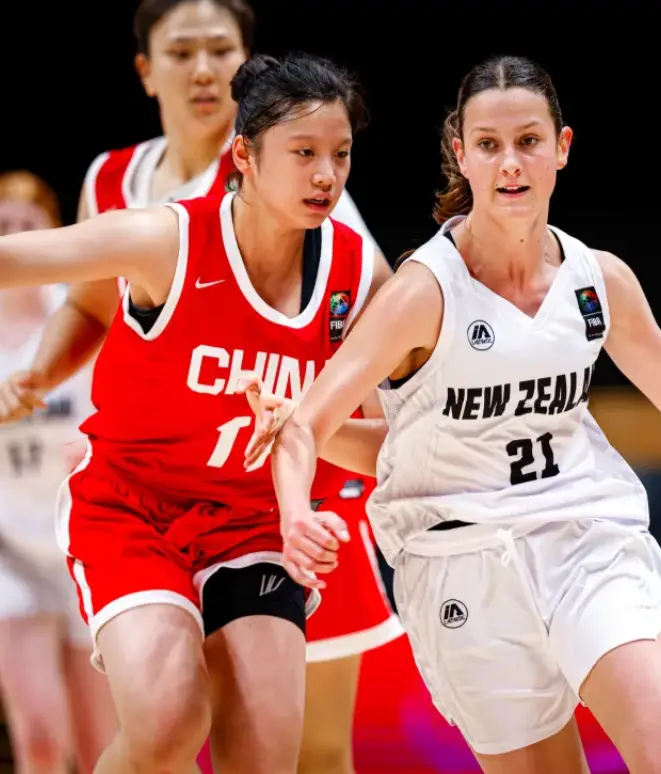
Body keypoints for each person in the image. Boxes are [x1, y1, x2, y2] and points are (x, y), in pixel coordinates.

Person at [242, 54, 661, 774]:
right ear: (461, 153)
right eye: (488, 144)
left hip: (587, 541)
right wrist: (296, 514)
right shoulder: (423, 293)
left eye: (529, 141)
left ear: (562, 147)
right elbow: (308, 428)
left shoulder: (598, 279)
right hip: (460, 566)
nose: (510, 162)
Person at [0, 1, 402, 770]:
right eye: (305, 154)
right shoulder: (161, 231)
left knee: (272, 750)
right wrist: (38, 373)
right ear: (244, 155)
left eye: (342, 154)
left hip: (258, 519)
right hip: (136, 504)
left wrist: (307, 430)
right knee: (168, 726)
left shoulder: (357, 270)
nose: (326, 174)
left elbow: (397, 435)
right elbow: (29, 266)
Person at [0, 171, 117, 773]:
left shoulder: (81, 311)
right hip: (9, 553)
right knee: (41, 740)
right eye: (3, 225)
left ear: (52, 233)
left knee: (105, 745)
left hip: (84, 541)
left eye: (29, 224)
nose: (15, 235)